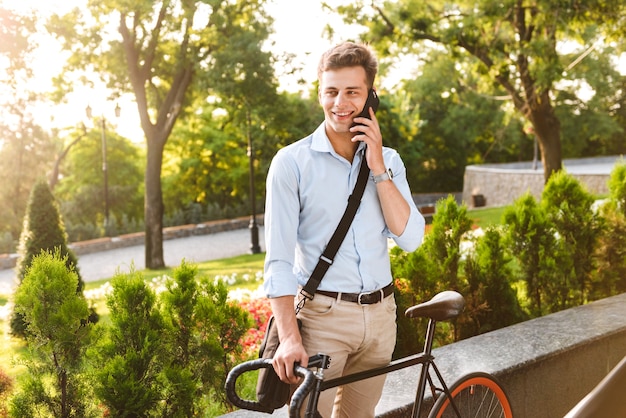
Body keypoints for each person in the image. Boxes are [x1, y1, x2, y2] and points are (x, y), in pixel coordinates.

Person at [263, 41, 425, 417]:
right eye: (331, 91)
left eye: (353, 92)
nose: (341, 103)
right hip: (323, 320)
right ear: (320, 93)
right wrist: (288, 339)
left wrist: (378, 166)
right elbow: (278, 262)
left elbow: (411, 238)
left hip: (382, 317)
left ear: (371, 98)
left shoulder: (390, 162)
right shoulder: (291, 164)